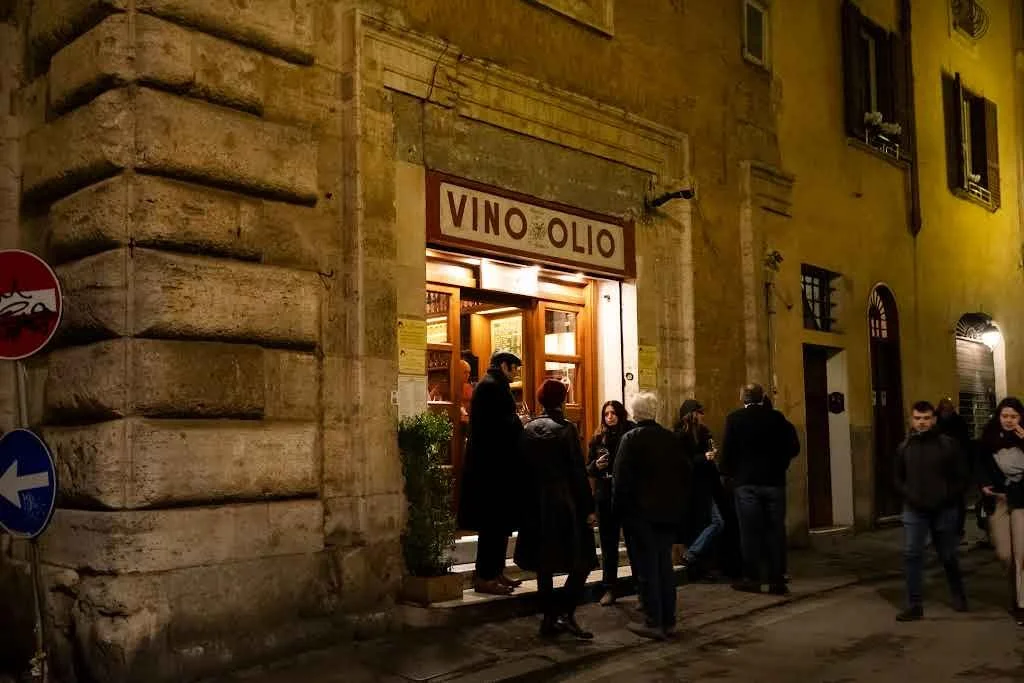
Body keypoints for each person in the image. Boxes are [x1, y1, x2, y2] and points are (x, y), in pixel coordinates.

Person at [515, 380, 598, 639]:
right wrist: (588, 507)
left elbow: (522, 469)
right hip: (564, 503)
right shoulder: (566, 429)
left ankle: (549, 617)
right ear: (562, 400)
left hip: (536, 504)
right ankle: (565, 612)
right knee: (583, 559)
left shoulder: (528, 429)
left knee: (544, 565)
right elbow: (577, 471)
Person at [613, 392, 690, 640]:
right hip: (666, 512)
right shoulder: (669, 438)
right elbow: (684, 473)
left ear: (635, 413)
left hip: (640, 514)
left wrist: (618, 514)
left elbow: (620, 481)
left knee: (647, 569)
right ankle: (669, 620)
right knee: (664, 566)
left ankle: (653, 621)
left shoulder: (631, 439)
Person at [719, 384, 800, 596]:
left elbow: (727, 452)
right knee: (776, 531)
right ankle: (777, 580)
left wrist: (729, 474)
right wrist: (781, 464)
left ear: (742, 398)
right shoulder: (777, 418)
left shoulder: (735, 419)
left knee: (749, 532)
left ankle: (752, 578)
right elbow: (794, 447)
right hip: (774, 483)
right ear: (762, 397)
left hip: (746, 483)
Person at [894, 400, 970, 621]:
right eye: (917, 418)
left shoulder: (948, 445)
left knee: (947, 554)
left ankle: (958, 594)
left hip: (944, 509)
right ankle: (914, 605)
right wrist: (909, 496)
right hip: (914, 510)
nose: (922, 422)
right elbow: (897, 477)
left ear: (934, 419)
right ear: (911, 419)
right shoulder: (904, 447)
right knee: (912, 554)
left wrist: (947, 497)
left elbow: (962, 476)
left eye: (926, 418)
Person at [457, 351, 525, 595]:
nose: (516, 373)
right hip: (491, 470)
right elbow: (498, 426)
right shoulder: (490, 387)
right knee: (492, 526)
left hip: (496, 468)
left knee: (500, 524)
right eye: (514, 368)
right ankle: (485, 576)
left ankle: (495, 571)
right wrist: (519, 422)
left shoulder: (494, 385)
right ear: (504, 365)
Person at [978, 397, 1024, 626]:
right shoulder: (988, 437)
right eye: (1005, 416)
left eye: (1013, 416)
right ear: (998, 416)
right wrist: (984, 484)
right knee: (1006, 555)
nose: (1008, 420)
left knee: (1022, 554)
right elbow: (979, 465)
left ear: (1021, 418)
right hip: (998, 501)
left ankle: (1021, 604)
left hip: (1022, 500)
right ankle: (1015, 594)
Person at [586, 400, 635, 606]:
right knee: (608, 545)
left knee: (633, 543)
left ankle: (641, 587)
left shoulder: (630, 434)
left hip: (626, 495)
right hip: (605, 496)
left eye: (613, 413)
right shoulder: (598, 437)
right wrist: (596, 466)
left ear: (620, 414)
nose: (609, 417)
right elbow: (588, 468)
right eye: (606, 414)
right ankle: (609, 587)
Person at [675, 400, 728, 580]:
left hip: (705, 486)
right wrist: (704, 457)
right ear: (692, 415)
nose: (702, 416)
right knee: (716, 522)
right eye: (699, 412)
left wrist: (710, 457)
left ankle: (696, 559)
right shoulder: (681, 436)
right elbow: (683, 462)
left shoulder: (704, 432)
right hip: (692, 488)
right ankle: (692, 556)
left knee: (712, 523)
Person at [936, 397, 973, 540]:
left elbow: (965, 446)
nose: (946, 412)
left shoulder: (957, 423)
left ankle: (955, 530)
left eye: (948, 410)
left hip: (956, 468)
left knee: (956, 501)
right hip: (946, 468)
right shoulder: (939, 422)